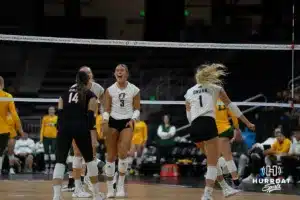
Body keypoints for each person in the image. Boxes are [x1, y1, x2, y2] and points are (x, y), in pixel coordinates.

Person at [184, 64, 255, 200]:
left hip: (194, 127)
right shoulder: (216, 88)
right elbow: (232, 107)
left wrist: (194, 126)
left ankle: (225, 188)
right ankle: (207, 194)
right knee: (213, 163)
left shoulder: (189, 91)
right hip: (208, 124)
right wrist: (247, 123)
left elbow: (188, 114)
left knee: (213, 161)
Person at [52, 71, 103, 200]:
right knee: (90, 160)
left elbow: (60, 114)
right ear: (87, 81)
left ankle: (56, 196)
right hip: (81, 127)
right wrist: (92, 136)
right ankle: (96, 195)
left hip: (64, 128)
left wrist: (61, 129)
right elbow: (91, 119)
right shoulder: (90, 95)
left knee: (60, 161)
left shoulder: (63, 95)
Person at [103, 64, 141, 198]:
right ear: (114, 74)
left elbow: (137, 108)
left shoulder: (134, 89)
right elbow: (106, 109)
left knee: (123, 151)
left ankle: (120, 185)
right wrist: (105, 120)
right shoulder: (109, 90)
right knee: (111, 155)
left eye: (122, 70)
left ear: (127, 74)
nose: (119, 72)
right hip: (113, 121)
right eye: (117, 70)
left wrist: (134, 119)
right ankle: (109, 189)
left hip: (127, 121)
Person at [71, 66, 104, 197]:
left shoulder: (98, 88)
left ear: (92, 74)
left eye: (89, 72)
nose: (87, 75)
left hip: (91, 123)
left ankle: (89, 184)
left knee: (92, 156)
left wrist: (105, 118)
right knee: (78, 154)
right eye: (84, 73)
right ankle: (77, 188)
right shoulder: (73, 88)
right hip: (77, 122)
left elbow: (104, 106)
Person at [215, 99, 242, 187]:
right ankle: (234, 178)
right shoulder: (227, 102)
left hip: (218, 131)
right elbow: (234, 116)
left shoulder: (209, 102)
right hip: (227, 129)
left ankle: (225, 177)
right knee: (225, 156)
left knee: (220, 156)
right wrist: (237, 129)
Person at [0, 76, 24, 174]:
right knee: (1, 152)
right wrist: (20, 129)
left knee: (9, 152)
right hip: (3, 130)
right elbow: (15, 114)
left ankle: (10, 168)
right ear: (2, 84)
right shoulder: (7, 96)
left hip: (9, 132)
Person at [40, 106, 57, 174]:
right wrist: (41, 138)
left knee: (53, 153)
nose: (51, 111)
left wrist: (54, 124)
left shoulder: (57, 118)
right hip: (45, 137)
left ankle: (52, 169)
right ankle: (47, 168)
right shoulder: (45, 118)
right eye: (50, 110)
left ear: (54, 111)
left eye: (52, 110)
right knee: (46, 153)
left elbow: (59, 126)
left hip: (54, 137)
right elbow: (42, 128)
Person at [7, 110, 23, 174]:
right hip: (2, 135)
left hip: (11, 135)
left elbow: (19, 126)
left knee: (11, 153)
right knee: (1, 153)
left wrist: (21, 133)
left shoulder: (15, 116)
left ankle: (11, 169)